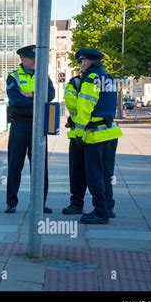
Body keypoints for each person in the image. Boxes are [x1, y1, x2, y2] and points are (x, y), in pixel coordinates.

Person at [72, 48, 123, 224]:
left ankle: (100, 212)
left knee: (94, 175)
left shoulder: (90, 79)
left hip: (95, 135)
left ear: (87, 62)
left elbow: (85, 108)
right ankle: (108, 207)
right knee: (106, 174)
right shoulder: (108, 78)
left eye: (81, 62)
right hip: (110, 132)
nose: (80, 66)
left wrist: (78, 133)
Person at [5, 45, 55, 214]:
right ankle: (11, 203)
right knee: (15, 164)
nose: (34, 61)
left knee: (40, 166)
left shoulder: (43, 75)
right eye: (30, 58)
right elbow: (16, 99)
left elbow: (50, 94)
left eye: (35, 58)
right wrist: (36, 97)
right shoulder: (13, 76)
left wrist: (29, 95)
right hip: (19, 124)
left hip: (38, 125)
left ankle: (40, 203)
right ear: (22, 59)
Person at [62, 50, 88, 215]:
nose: (82, 65)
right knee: (77, 172)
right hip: (79, 134)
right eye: (81, 62)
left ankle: (104, 205)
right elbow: (71, 103)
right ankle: (77, 203)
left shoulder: (98, 81)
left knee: (96, 172)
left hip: (94, 135)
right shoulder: (75, 82)